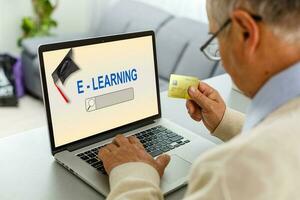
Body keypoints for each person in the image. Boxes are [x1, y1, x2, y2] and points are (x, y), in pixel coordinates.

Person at [98, 0, 300, 199]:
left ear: (246, 32)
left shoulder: (230, 172)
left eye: (216, 39)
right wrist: (226, 122)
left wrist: (133, 177)